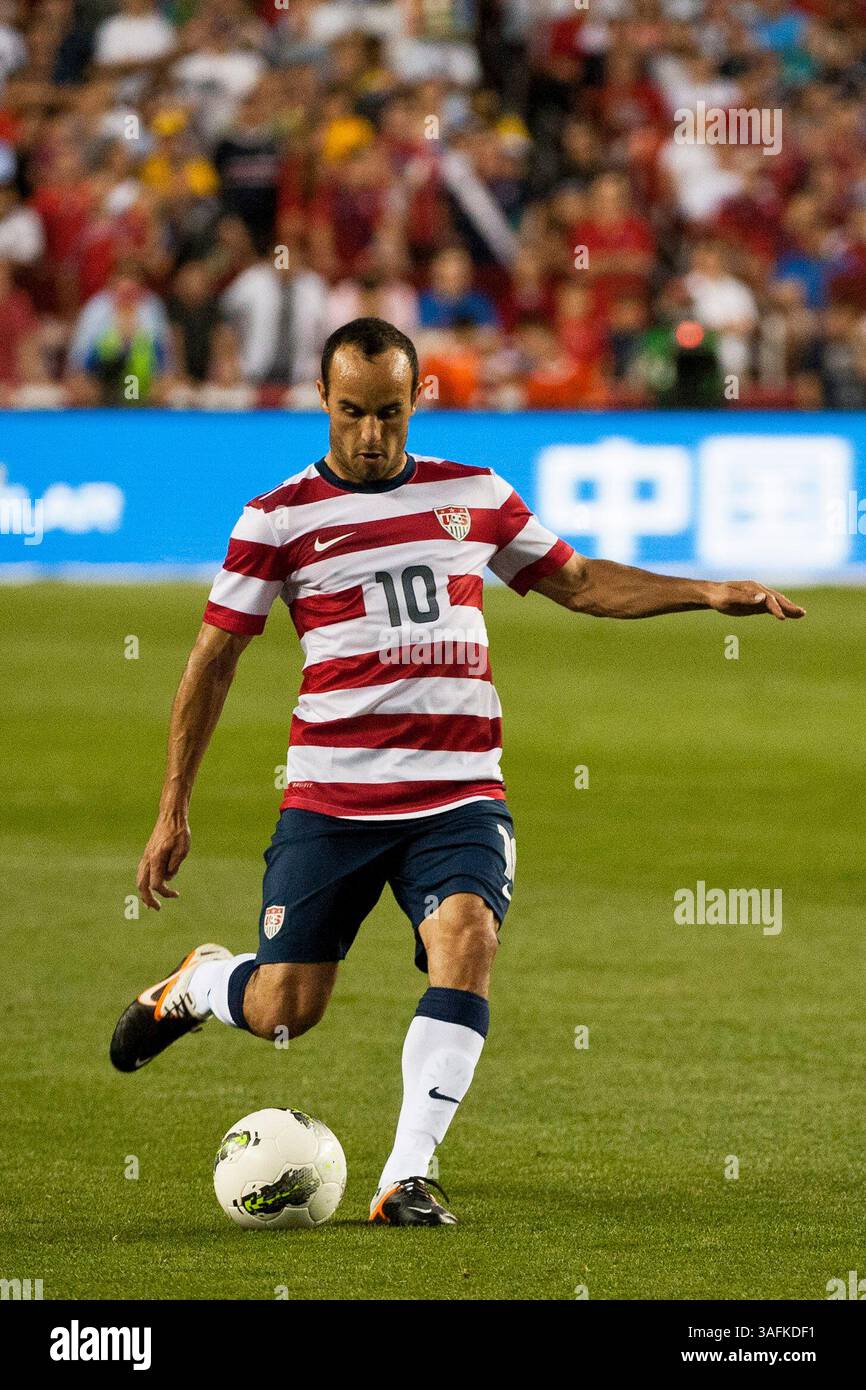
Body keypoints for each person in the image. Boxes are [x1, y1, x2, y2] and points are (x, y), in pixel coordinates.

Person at [110, 317, 805, 1225]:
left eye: (389, 413)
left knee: (468, 941)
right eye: (351, 412)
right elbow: (213, 662)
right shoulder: (277, 518)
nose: (370, 435)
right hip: (332, 802)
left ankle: (405, 1176)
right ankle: (202, 984)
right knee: (286, 1009)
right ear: (321, 399)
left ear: (418, 398)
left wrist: (706, 591)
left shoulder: (474, 493)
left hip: (460, 796)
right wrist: (173, 807)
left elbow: (581, 583)